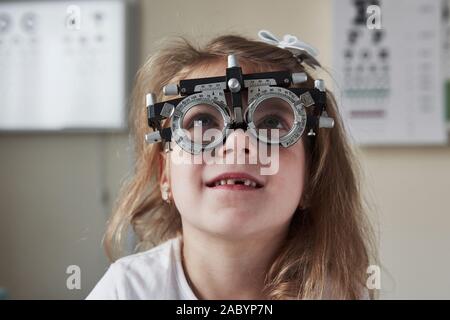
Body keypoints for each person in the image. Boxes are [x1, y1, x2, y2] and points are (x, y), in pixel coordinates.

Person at [86, 31, 375, 300]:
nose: (237, 143)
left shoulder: (334, 294)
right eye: (201, 121)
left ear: (311, 178)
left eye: (272, 123)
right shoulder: (127, 291)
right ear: (165, 175)